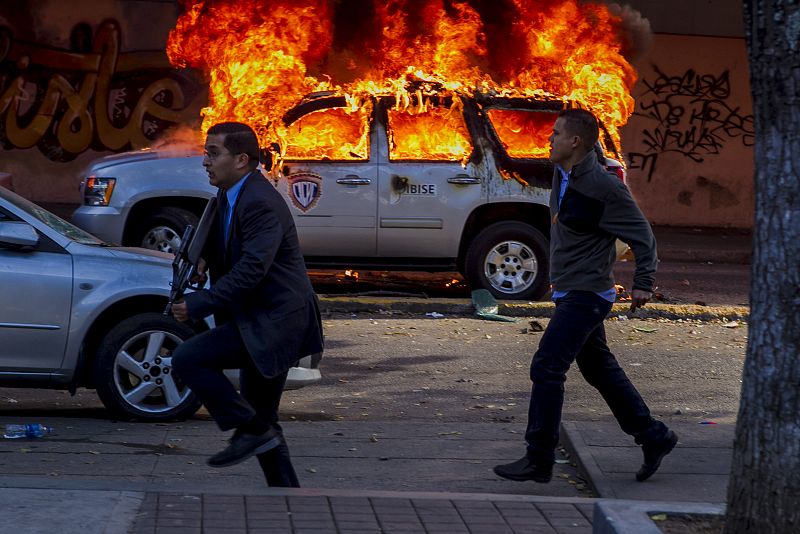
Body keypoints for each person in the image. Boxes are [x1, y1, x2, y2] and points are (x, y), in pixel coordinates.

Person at [494, 109, 677, 484]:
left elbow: (643, 235)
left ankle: (539, 459)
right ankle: (654, 436)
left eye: (556, 134)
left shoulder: (602, 185)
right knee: (598, 368)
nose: (550, 139)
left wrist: (644, 282)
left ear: (575, 142)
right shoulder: (563, 173)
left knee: (547, 367)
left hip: (587, 293)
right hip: (570, 289)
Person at [170, 122, 323, 487]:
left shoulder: (260, 201)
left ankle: (251, 430)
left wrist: (200, 303)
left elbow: (253, 268)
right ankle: (287, 495)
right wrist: (205, 257)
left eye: (213, 153)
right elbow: (227, 241)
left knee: (188, 358)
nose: (205, 162)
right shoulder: (229, 194)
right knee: (265, 424)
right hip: (255, 319)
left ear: (241, 159)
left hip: (275, 322)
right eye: (205, 153)